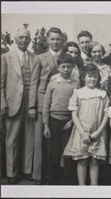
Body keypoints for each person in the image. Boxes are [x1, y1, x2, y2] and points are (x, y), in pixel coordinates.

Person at [63, 63, 109, 185]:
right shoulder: (78, 93)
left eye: (95, 76)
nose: (92, 79)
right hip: (81, 132)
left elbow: (106, 116)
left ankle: (94, 187)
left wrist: (99, 132)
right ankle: (82, 187)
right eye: (89, 76)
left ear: (98, 78)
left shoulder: (102, 95)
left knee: (94, 161)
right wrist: (82, 132)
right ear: (83, 77)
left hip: (97, 132)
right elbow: (74, 114)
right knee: (82, 160)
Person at [29, 27, 64, 184]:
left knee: (56, 141)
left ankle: (55, 175)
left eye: (58, 39)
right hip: (43, 103)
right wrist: (32, 106)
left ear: (61, 40)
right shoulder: (40, 58)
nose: (55, 42)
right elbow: (34, 83)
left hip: (58, 105)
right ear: (48, 40)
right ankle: (38, 175)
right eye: (53, 39)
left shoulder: (65, 57)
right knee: (40, 140)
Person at [1, 26, 36, 184]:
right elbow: (1, 83)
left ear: (30, 40)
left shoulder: (34, 57)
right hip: (13, 101)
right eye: (21, 37)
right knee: (12, 139)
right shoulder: (6, 57)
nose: (24, 40)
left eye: (26, 38)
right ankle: (11, 172)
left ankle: (27, 170)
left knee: (30, 137)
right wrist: (3, 103)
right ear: (15, 39)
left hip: (30, 102)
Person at [42, 54, 78, 185]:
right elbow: (46, 104)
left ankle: (67, 182)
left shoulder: (75, 84)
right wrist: (46, 124)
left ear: (73, 68)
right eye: (63, 67)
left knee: (68, 153)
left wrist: (73, 121)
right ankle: (53, 182)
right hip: (54, 121)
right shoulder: (53, 82)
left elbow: (77, 105)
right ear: (58, 68)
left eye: (69, 67)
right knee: (54, 153)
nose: (66, 70)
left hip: (69, 121)